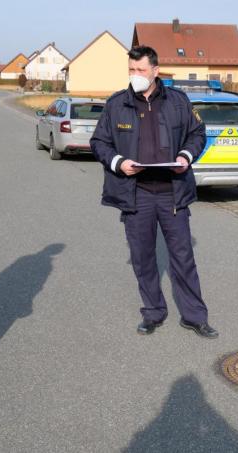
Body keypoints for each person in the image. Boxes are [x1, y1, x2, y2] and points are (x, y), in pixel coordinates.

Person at [90, 46, 218, 338]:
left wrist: (185, 156)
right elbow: (99, 142)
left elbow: (197, 134)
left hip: (172, 192)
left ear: (155, 71)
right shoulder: (116, 104)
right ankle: (153, 312)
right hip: (136, 194)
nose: (135, 75)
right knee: (143, 257)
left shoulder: (178, 102)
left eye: (141, 70)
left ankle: (194, 316)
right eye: (131, 70)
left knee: (183, 257)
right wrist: (118, 163)